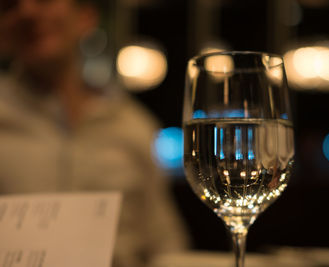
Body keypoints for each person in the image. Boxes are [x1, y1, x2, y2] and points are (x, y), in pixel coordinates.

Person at [0, 0, 188, 266]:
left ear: (86, 17)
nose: (27, 12)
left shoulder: (132, 124)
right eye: (9, 6)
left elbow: (165, 243)